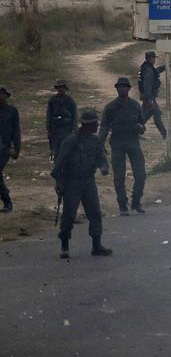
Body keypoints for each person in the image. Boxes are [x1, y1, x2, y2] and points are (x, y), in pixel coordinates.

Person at [52, 108, 111, 258]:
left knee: (95, 214)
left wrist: (104, 167)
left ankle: (96, 246)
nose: (97, 125)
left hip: (88, 181)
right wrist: (59, 182)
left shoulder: (94, 140)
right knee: (68, 216)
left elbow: (101, 158)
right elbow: (59, 163)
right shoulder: (71, 141)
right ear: (87, 125)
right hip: (71, 182)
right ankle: (64, 246)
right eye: (94, 123)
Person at [98, 77, 147, 215]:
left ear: (129, 88)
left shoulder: (135, 106)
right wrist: (99, 144)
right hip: (117, 143)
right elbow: (104, 127)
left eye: (124, 86)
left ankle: (136, 202)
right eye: (119, 86)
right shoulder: (110, 107)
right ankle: (122, 205)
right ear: (116, 88)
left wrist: (140, 127)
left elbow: (143, 125)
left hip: (133, 142)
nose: (121, 88)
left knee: (141, 175)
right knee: (119, 177)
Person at [137, 51, 168, 139]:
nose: (155, 60)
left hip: (147, 96)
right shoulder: (148, 70)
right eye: (154, 58)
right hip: (148, 96)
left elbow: (156, 71)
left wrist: (166, 66)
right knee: (151, 113)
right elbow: (147, 85)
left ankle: (164, 133)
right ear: (150, 58)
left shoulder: (146, 67)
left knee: (152, 113)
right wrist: (150, 98)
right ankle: (136, 130)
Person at [0, 87, 21, 213]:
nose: (0, 96)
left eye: (2, 94)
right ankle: (7, 201)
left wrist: (15, 148)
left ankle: (7, 201)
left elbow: (16, 131)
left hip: (5, 148)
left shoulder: (12, 110)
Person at [46, 79, 78, 161]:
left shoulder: (70, 100)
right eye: (59, 87)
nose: (61, 89)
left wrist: (74, 129)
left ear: (65, 88)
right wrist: (49, 130)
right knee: (56, 151)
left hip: (67, 129)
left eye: (63, 87)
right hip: (55, 129)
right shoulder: (52, 100)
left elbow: (75, 116)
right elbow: (49, 115)